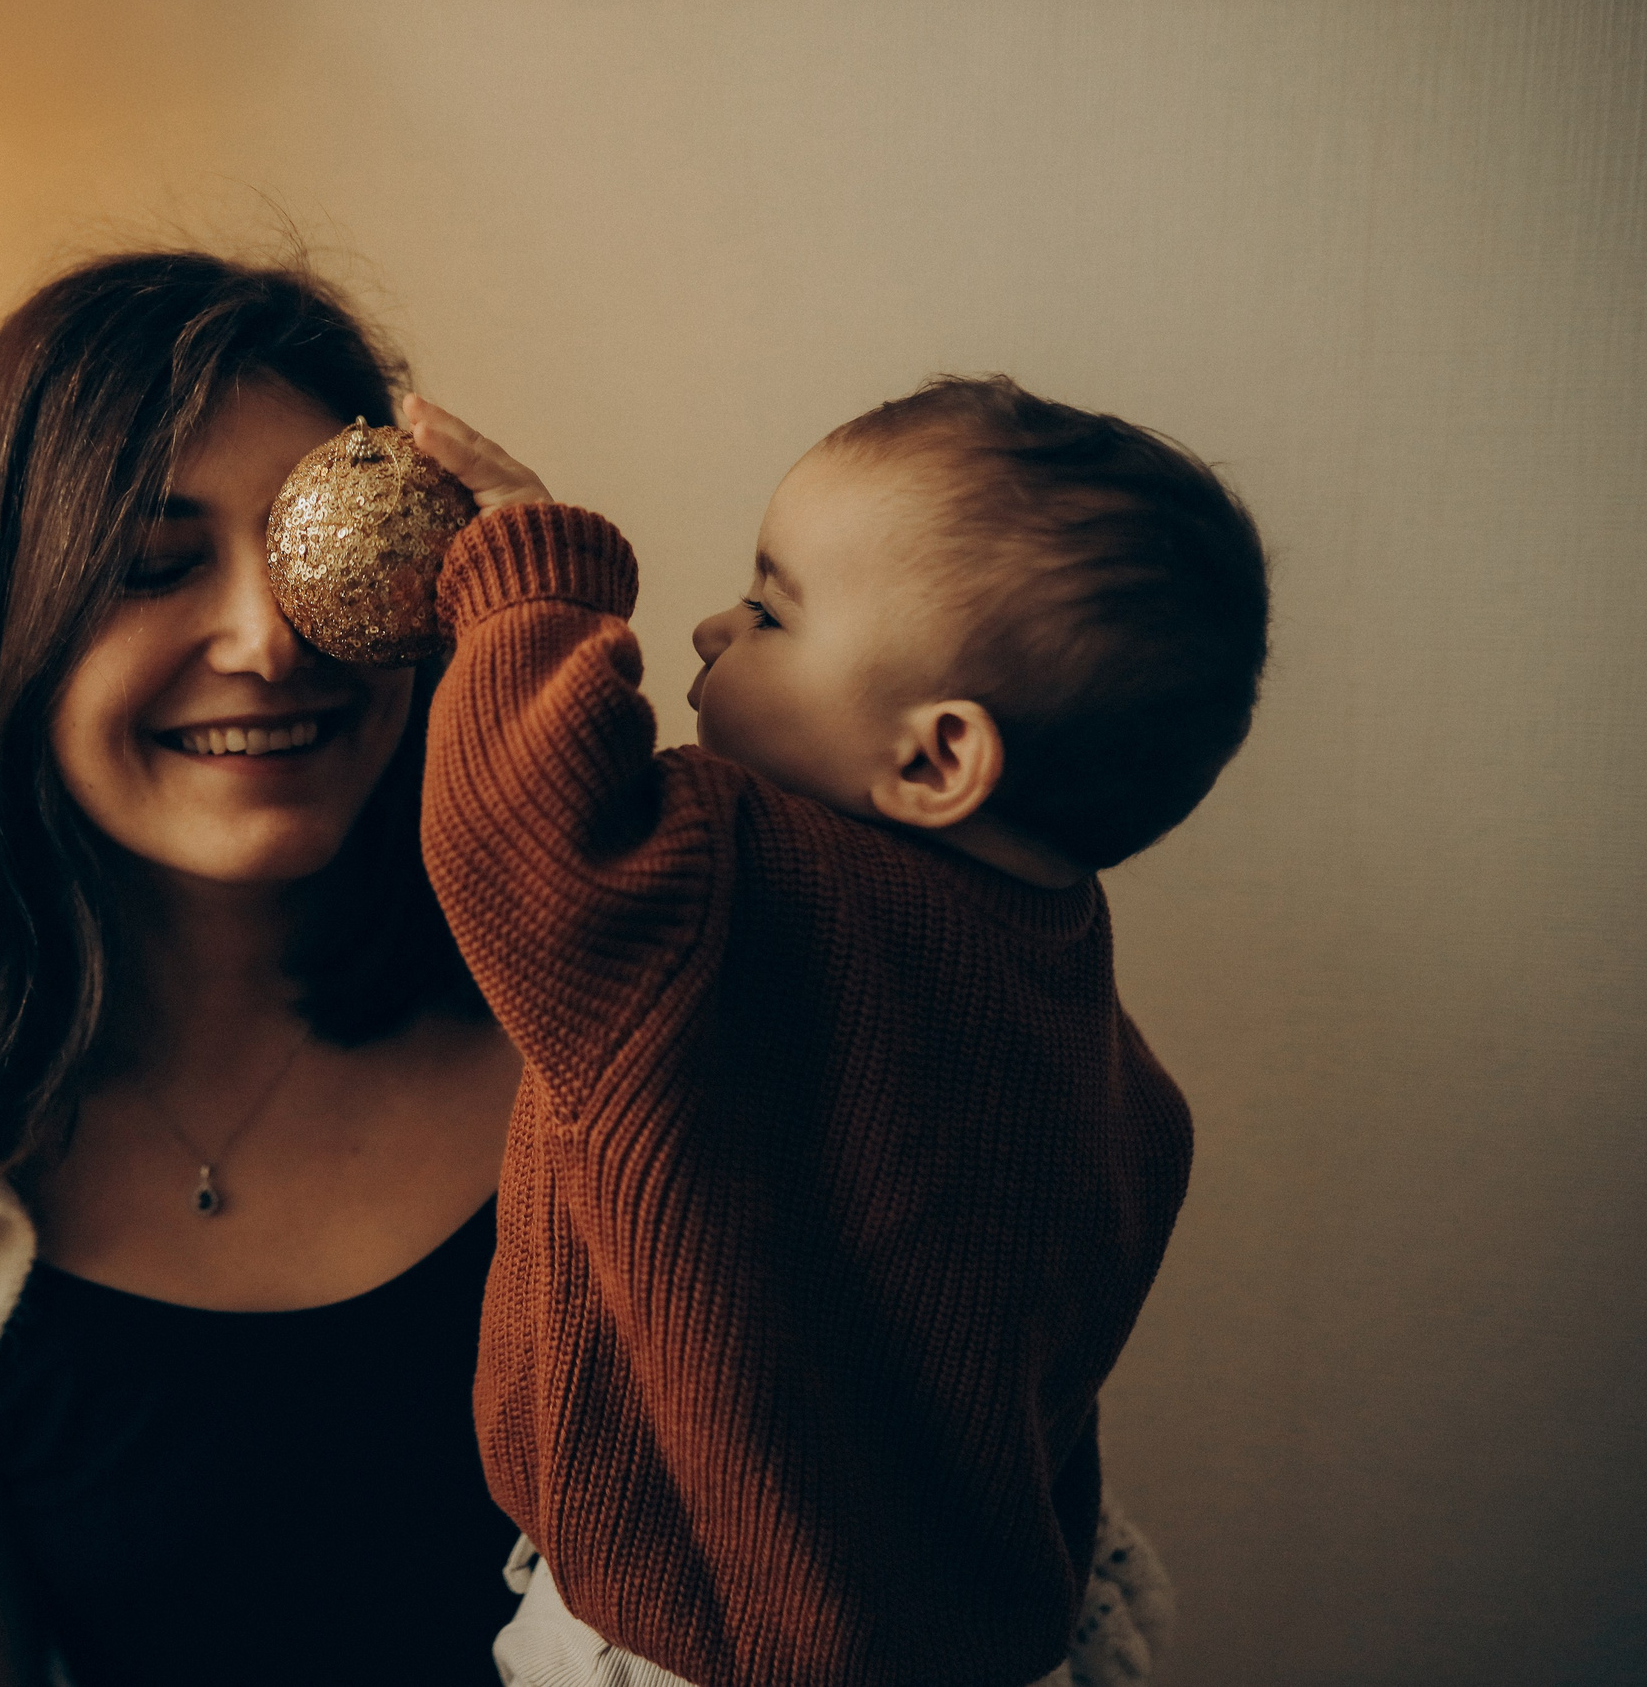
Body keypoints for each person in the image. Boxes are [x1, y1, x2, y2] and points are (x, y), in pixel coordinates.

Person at [0, 253, 524, 1687]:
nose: (271, 640)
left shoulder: (612, 1042)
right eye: (149, 564)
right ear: (6, 631)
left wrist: (551, 673)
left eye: (340, 556)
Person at [399, 378, 1266, 1687]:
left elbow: (523, 841)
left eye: (768, 608)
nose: (708, 626)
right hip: (993, 1636)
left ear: (934, 761)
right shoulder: (1117, 1078)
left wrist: (528, 575)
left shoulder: (727, 891)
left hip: (701, 1649)